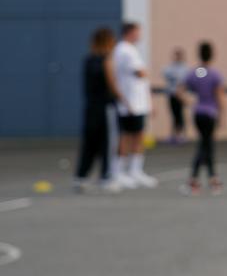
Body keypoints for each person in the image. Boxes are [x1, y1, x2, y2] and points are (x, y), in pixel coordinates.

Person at [73, 27, 122, 193]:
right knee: (107, 143)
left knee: (89, 143)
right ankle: (106, 178)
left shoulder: (88, 60)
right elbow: (112, 84)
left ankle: (80, 177)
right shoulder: (107, 60)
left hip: (90, 107)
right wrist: (124, 100)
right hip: (105, 107)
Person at [113, 21, 157, 188]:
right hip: (129, 102)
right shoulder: (124, 50)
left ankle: (135, 170)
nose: (140, 35)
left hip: (138, 102)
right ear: (130, 32)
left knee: (138, 136)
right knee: (126, 137)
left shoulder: (131, 50)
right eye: (138, 32)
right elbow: (140, 73)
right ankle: (119, 171)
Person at [180, 41, 225, 195]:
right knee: (206, 145)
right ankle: (205, 180)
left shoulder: (198, 72)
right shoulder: (214, 74)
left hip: (198, 112)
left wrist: (189, 101)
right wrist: (222, 115)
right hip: (210, 113)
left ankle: (206, 179)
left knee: (206, 144)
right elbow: (220, 97)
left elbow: (180, 90)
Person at [162, 48, 190, 145]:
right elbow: (165, 74)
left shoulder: (185, 68)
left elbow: (185, 81)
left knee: (180, 115)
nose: (177, 57)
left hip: (180, 96)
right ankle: (173, 135)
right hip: (171, 95)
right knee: (173, 115)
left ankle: (180, 135)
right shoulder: (170, 67)